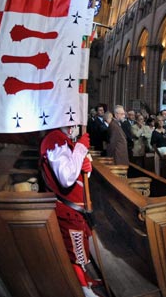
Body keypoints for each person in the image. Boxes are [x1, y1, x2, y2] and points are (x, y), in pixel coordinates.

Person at [40, 126, 99, 297]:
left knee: (81, 246)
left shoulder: (62, 137)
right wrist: (80, 149)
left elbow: (73, 167)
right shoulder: (54, 139)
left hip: (77, 206)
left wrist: (85, 167)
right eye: (70, 119)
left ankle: (86, 279)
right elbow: (66, 177)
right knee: (75, 251)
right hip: (68, 208)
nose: (74, 125)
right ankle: (83, 290)